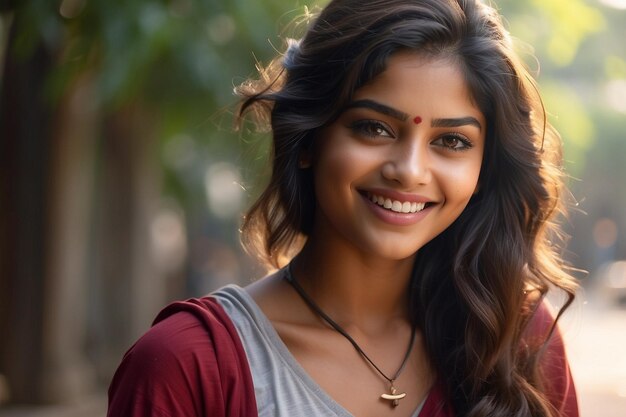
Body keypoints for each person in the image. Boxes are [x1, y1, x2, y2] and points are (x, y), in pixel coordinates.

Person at [107, 0, 580, 416]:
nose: (409, 170)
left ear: (484, 168)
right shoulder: (189, 366)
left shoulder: (516, 346)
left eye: (452, 141)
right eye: (374, 128)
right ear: (310, 138)